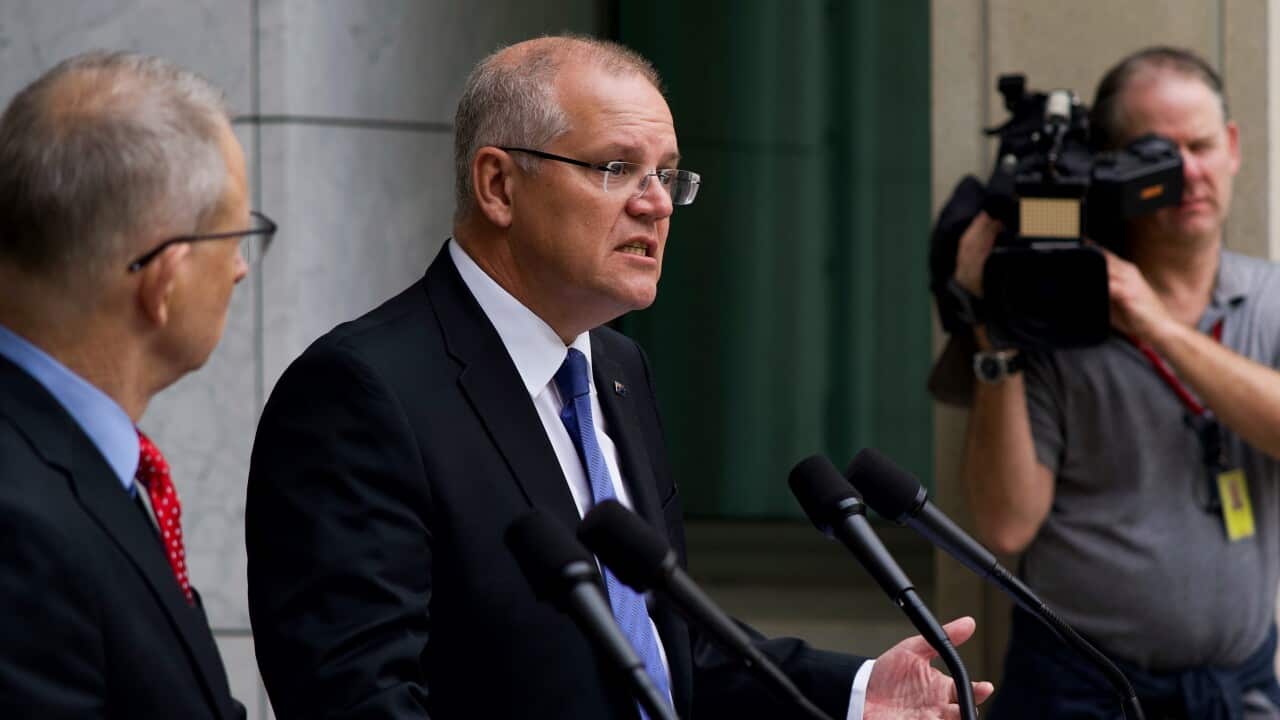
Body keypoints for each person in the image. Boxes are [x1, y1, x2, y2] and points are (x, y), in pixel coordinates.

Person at [247, 35, 992, 720]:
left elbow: (667, 651)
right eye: (617, 168)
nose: (658, 202)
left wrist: (859, 692)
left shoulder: (616, 367)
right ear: (499, 186)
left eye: (668, 175)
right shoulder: (361, 394)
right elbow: (356, 700)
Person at [953, 46, 1280, 718]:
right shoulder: (1053, 316)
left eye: (1201, 145)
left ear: (1234, 147)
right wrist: (989, 325)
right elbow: (1006, 524)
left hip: (1237, 691)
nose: (1187, 173)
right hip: (1078, 690)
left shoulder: (1270, 298)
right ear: (1107, 169)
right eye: (1156, 156)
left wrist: (1158, 326)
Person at [0, 51, 269, 718]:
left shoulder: (81, 465)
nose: (240, 269)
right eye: (236, 236)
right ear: (166, 279)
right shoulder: (21, 528)